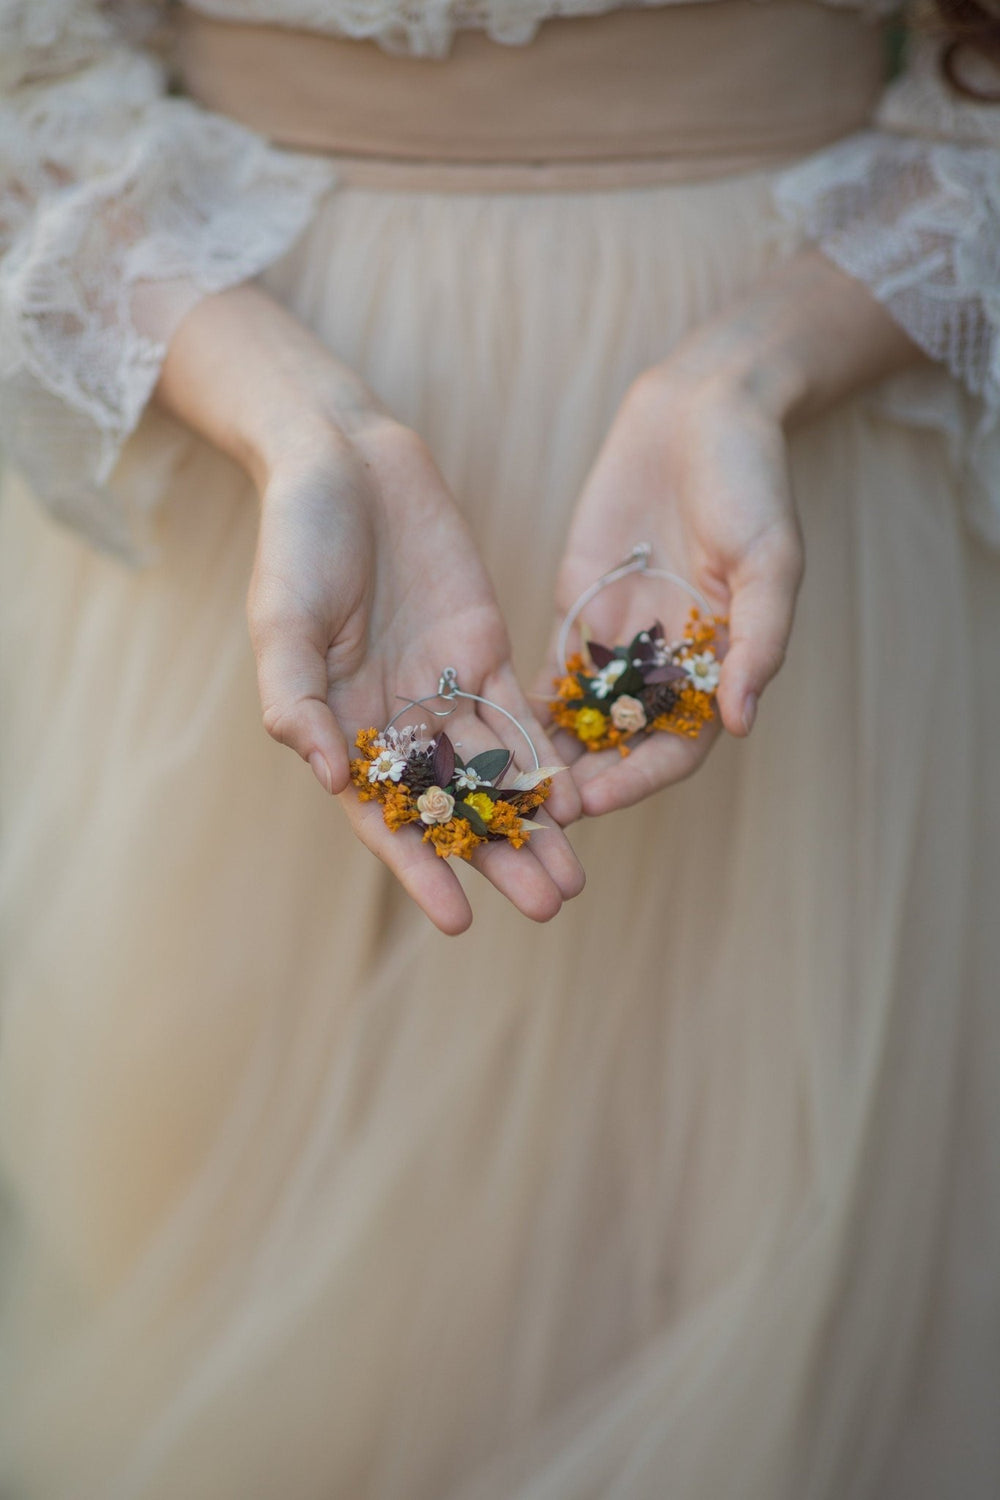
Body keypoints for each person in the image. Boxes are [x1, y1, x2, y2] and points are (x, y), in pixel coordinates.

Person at [0, 1, 997, 1496]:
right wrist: (300, 423)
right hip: (242, 406)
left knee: (736, 1212)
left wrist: (745, 369)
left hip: (802, 437)